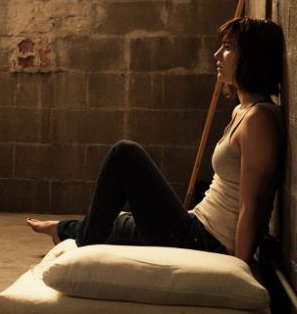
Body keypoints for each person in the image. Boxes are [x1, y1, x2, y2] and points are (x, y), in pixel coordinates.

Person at [27, 17, 284, 264]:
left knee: (124, 154)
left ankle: (83, 247)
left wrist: (240, 268)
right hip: (195, 224)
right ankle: (62, 229)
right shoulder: (242, 110)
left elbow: (253, 207)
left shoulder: (259, 120)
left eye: (227, 48)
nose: (217, 55)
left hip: (203, 241)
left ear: (250, 58)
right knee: (118, 221)